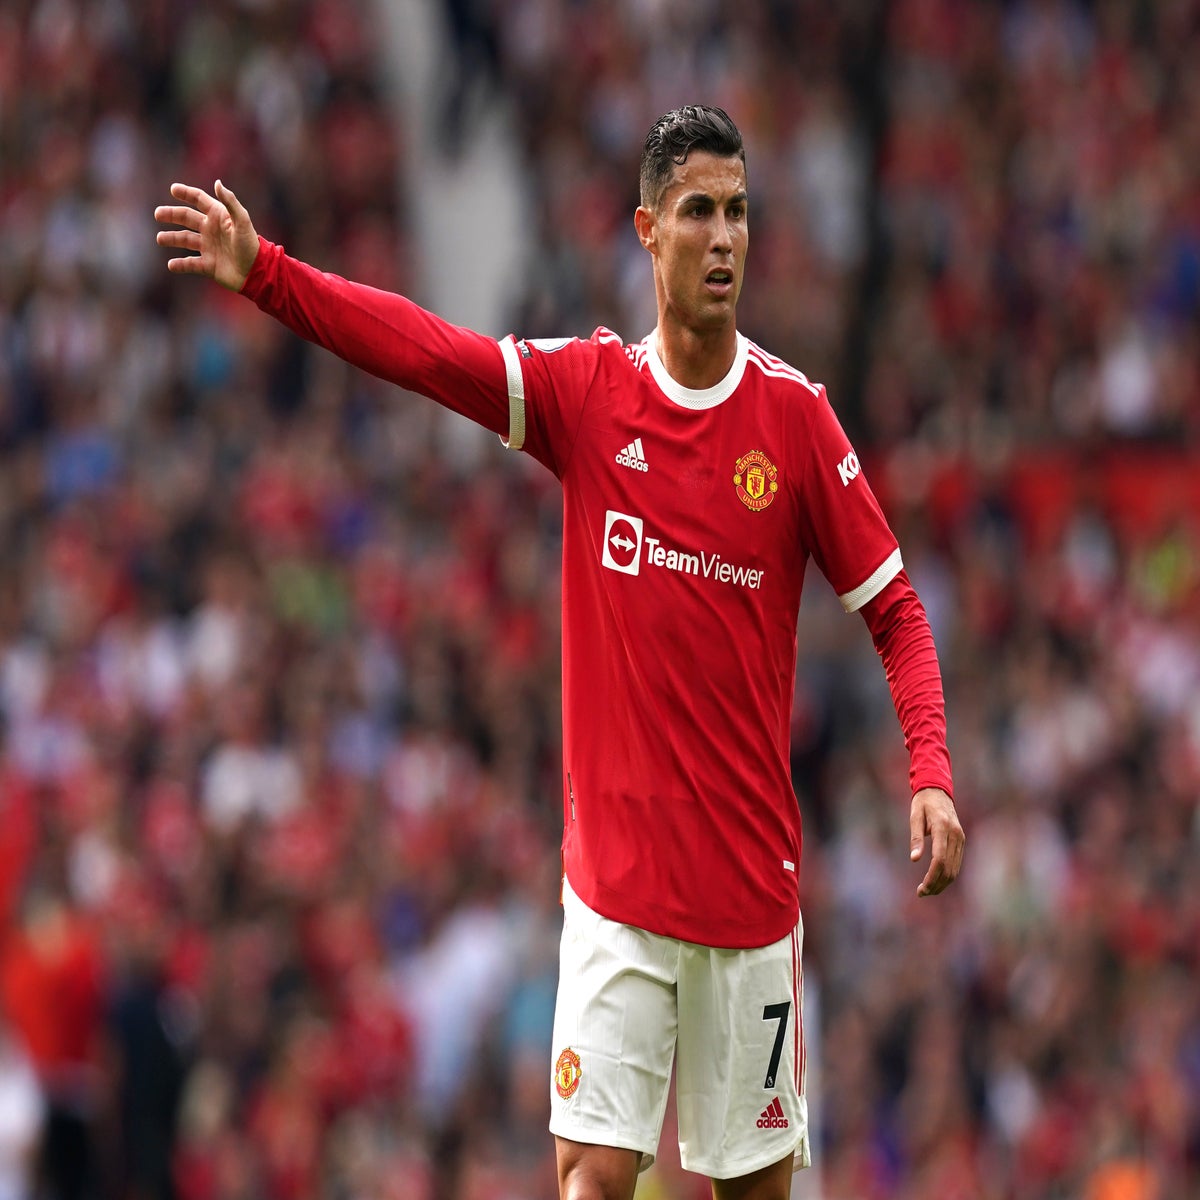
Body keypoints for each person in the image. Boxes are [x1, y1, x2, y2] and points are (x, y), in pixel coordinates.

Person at [155, 104, 964, 1200]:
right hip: (617, 894)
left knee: (757, 1188)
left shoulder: (797, 422)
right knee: (591, 1178)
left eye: (737, 213)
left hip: (750, 902)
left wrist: (930, 774)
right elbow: (429, 355)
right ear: (646, 230)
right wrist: (269, 276)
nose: (723, 238)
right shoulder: (591, 397)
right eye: (697, 213)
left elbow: (898, 612)